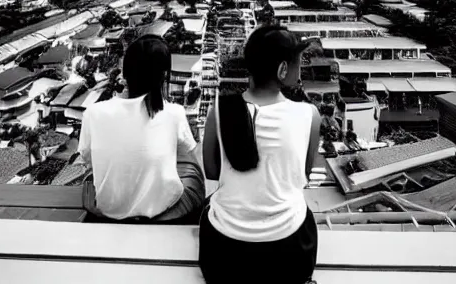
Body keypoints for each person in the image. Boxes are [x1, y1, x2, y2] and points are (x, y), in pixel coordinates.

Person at [200, 25, 320, 284]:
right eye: (297, 64)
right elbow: (303, 176)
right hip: (290, 254)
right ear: (282, 70)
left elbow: (212, 171)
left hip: (223, 255)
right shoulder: (309, 115)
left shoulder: (219, 111)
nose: (301, 72)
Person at [77, 34, 205, 224]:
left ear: (125, 72)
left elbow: (87, 159)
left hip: (107, 209)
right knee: (191, 166)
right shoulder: (173, 112)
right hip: (163, 210)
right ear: (163, 75)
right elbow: (191, 154)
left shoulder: (93, 112)